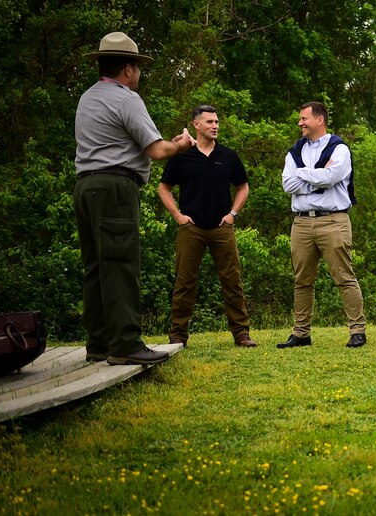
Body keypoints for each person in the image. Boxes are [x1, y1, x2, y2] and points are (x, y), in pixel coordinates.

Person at [74, 32, 194, 365]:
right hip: (114, 187)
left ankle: (98, 344)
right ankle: (125, 344)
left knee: (96, 267)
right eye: (138, 67)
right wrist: (180, 146)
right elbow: (157, 151)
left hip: (85, 186)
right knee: (120, 264)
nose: (139, 73)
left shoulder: (88, 97)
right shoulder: (126, 98)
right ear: (128, 68)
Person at [158, 105, 255, 348]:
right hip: (191, 227)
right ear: (196, 125)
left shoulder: (228, 156)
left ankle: (241, 333)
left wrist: (233, 213)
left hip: (222, 227)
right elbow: (164, 188)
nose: (215, 126)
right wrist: (178, 216)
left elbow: (243, 186)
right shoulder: (182, 156)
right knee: (184, 281)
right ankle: (178, 335)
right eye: (210, 122)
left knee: (232, 280)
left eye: (217, 122)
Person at [279, 101, 367, 349]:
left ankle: (357, 330)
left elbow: (332, 177)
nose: (300, 123)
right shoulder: (294, 151)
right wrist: (316, 176)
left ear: (319, 120)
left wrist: (302, 174)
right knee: (302, 280)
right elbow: (288, 185)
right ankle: (301, 333)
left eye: (304, 118)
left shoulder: (339, 149)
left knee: (344, 277)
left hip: (333, 220)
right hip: (301, 223)